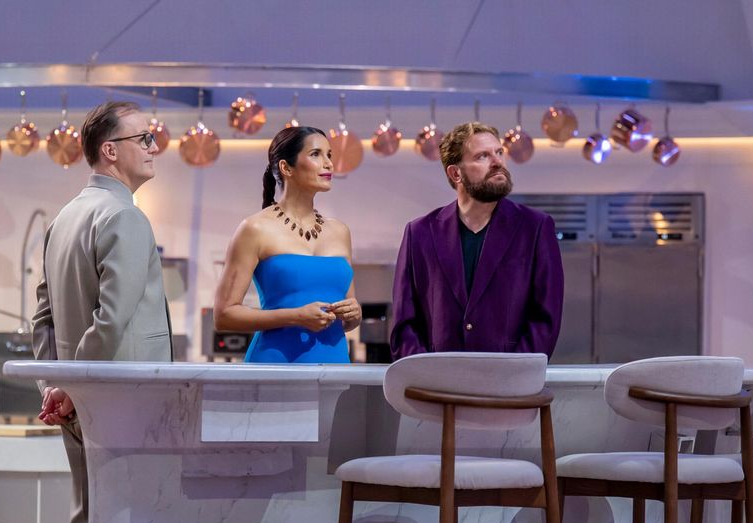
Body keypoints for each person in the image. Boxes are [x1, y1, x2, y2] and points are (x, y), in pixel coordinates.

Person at [32, 101, 173, 523]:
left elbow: (43, 318)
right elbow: (111, 323)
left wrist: (55, 386)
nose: (155, 147)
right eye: (145, 139)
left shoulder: (65, 218)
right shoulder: (124, 218)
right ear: (110, 151)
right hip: (120, 400)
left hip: (79, 401)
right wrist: (71, 388)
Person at [391, 121, 563, 360]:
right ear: (455, 173)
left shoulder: (535, 228)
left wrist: (513, 374)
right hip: (436, 388)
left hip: (510, 387)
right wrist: (426, 374)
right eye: (482, 156)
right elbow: (404, 323)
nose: (497, 162)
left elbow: (546, 318)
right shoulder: (419, 233)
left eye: (499, 153)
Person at [214, 126, 361, 363]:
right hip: (274, 365)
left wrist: (355, 314)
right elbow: (224, 315)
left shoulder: (340, 231)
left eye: (329, 155)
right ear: (286, 167)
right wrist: (295, 316)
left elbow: (348, 312)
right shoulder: (255, 228)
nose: (329, 164)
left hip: (334, 365)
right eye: (316, 154)